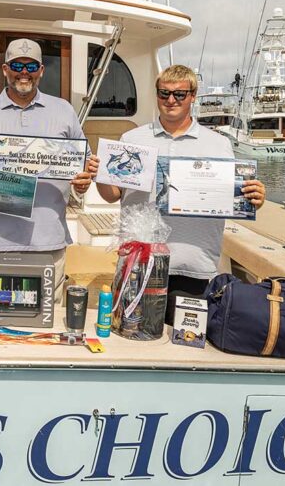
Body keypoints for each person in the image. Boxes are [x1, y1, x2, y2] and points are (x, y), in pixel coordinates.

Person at [95, 63, 266, 320]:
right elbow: (111, 195)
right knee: (133, 338)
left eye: (179, 94)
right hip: (140, 262)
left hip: (195, 266)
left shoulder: (218, 144)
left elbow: (235, 197)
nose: (171, 100)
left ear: (193, 96)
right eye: (164, 93)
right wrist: (101, 175)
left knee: (185, 343)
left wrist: (254, 197)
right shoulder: (132, 140)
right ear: (157, 96)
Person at [0, 38, 99, 298]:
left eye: (31, 66)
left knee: (45, 328)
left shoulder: (63, 110)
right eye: (17, 65)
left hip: (49, 242)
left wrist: (85, 179)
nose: (24, 72)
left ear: (41, 70)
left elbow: (82, 163)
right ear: (5, 69)